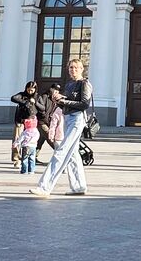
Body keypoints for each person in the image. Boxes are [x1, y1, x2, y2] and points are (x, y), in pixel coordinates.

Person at [29, 59, 91, 196]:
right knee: (73, 154)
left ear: (82, 69)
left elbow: (84, 104)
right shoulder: (69, 84)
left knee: (61, 151)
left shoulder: (84, 84)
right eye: (71, 68)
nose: (73, 70)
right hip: (67, 118)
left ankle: (44, 187)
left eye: (76, 68)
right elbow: (67, 104)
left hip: (77, 119)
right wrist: (58, 100)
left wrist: (63, 100)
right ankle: (79, 186)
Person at [9, 81, 41, 167]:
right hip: (21, 120)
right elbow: (13, 98)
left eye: (32, 90)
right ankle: (16, 159)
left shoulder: (37, 96)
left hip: (31, 122)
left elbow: (42, 107)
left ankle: (27, 157)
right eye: (28, 89)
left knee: (30, 140)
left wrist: (35, 103)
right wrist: (25, 102)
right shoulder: (22, 95)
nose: (30, 91)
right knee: (17, 139)